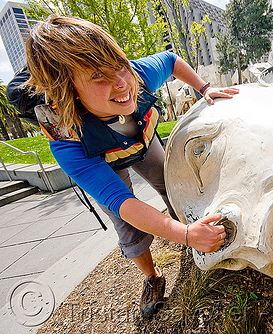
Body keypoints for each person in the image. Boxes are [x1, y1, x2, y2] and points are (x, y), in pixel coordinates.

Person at [23, 15, 239, 318]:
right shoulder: (66, 139)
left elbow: (171, 60)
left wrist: (204, 88)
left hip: (141, 140)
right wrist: (188, 236)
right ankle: (152, 276)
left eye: (119, 66)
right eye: (98, 77)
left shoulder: (134, 75)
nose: (122, 83)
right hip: (100, 158)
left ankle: (188, 224)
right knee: (126, 225)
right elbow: (123, 203)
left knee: (172, 182)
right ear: (69, 90)